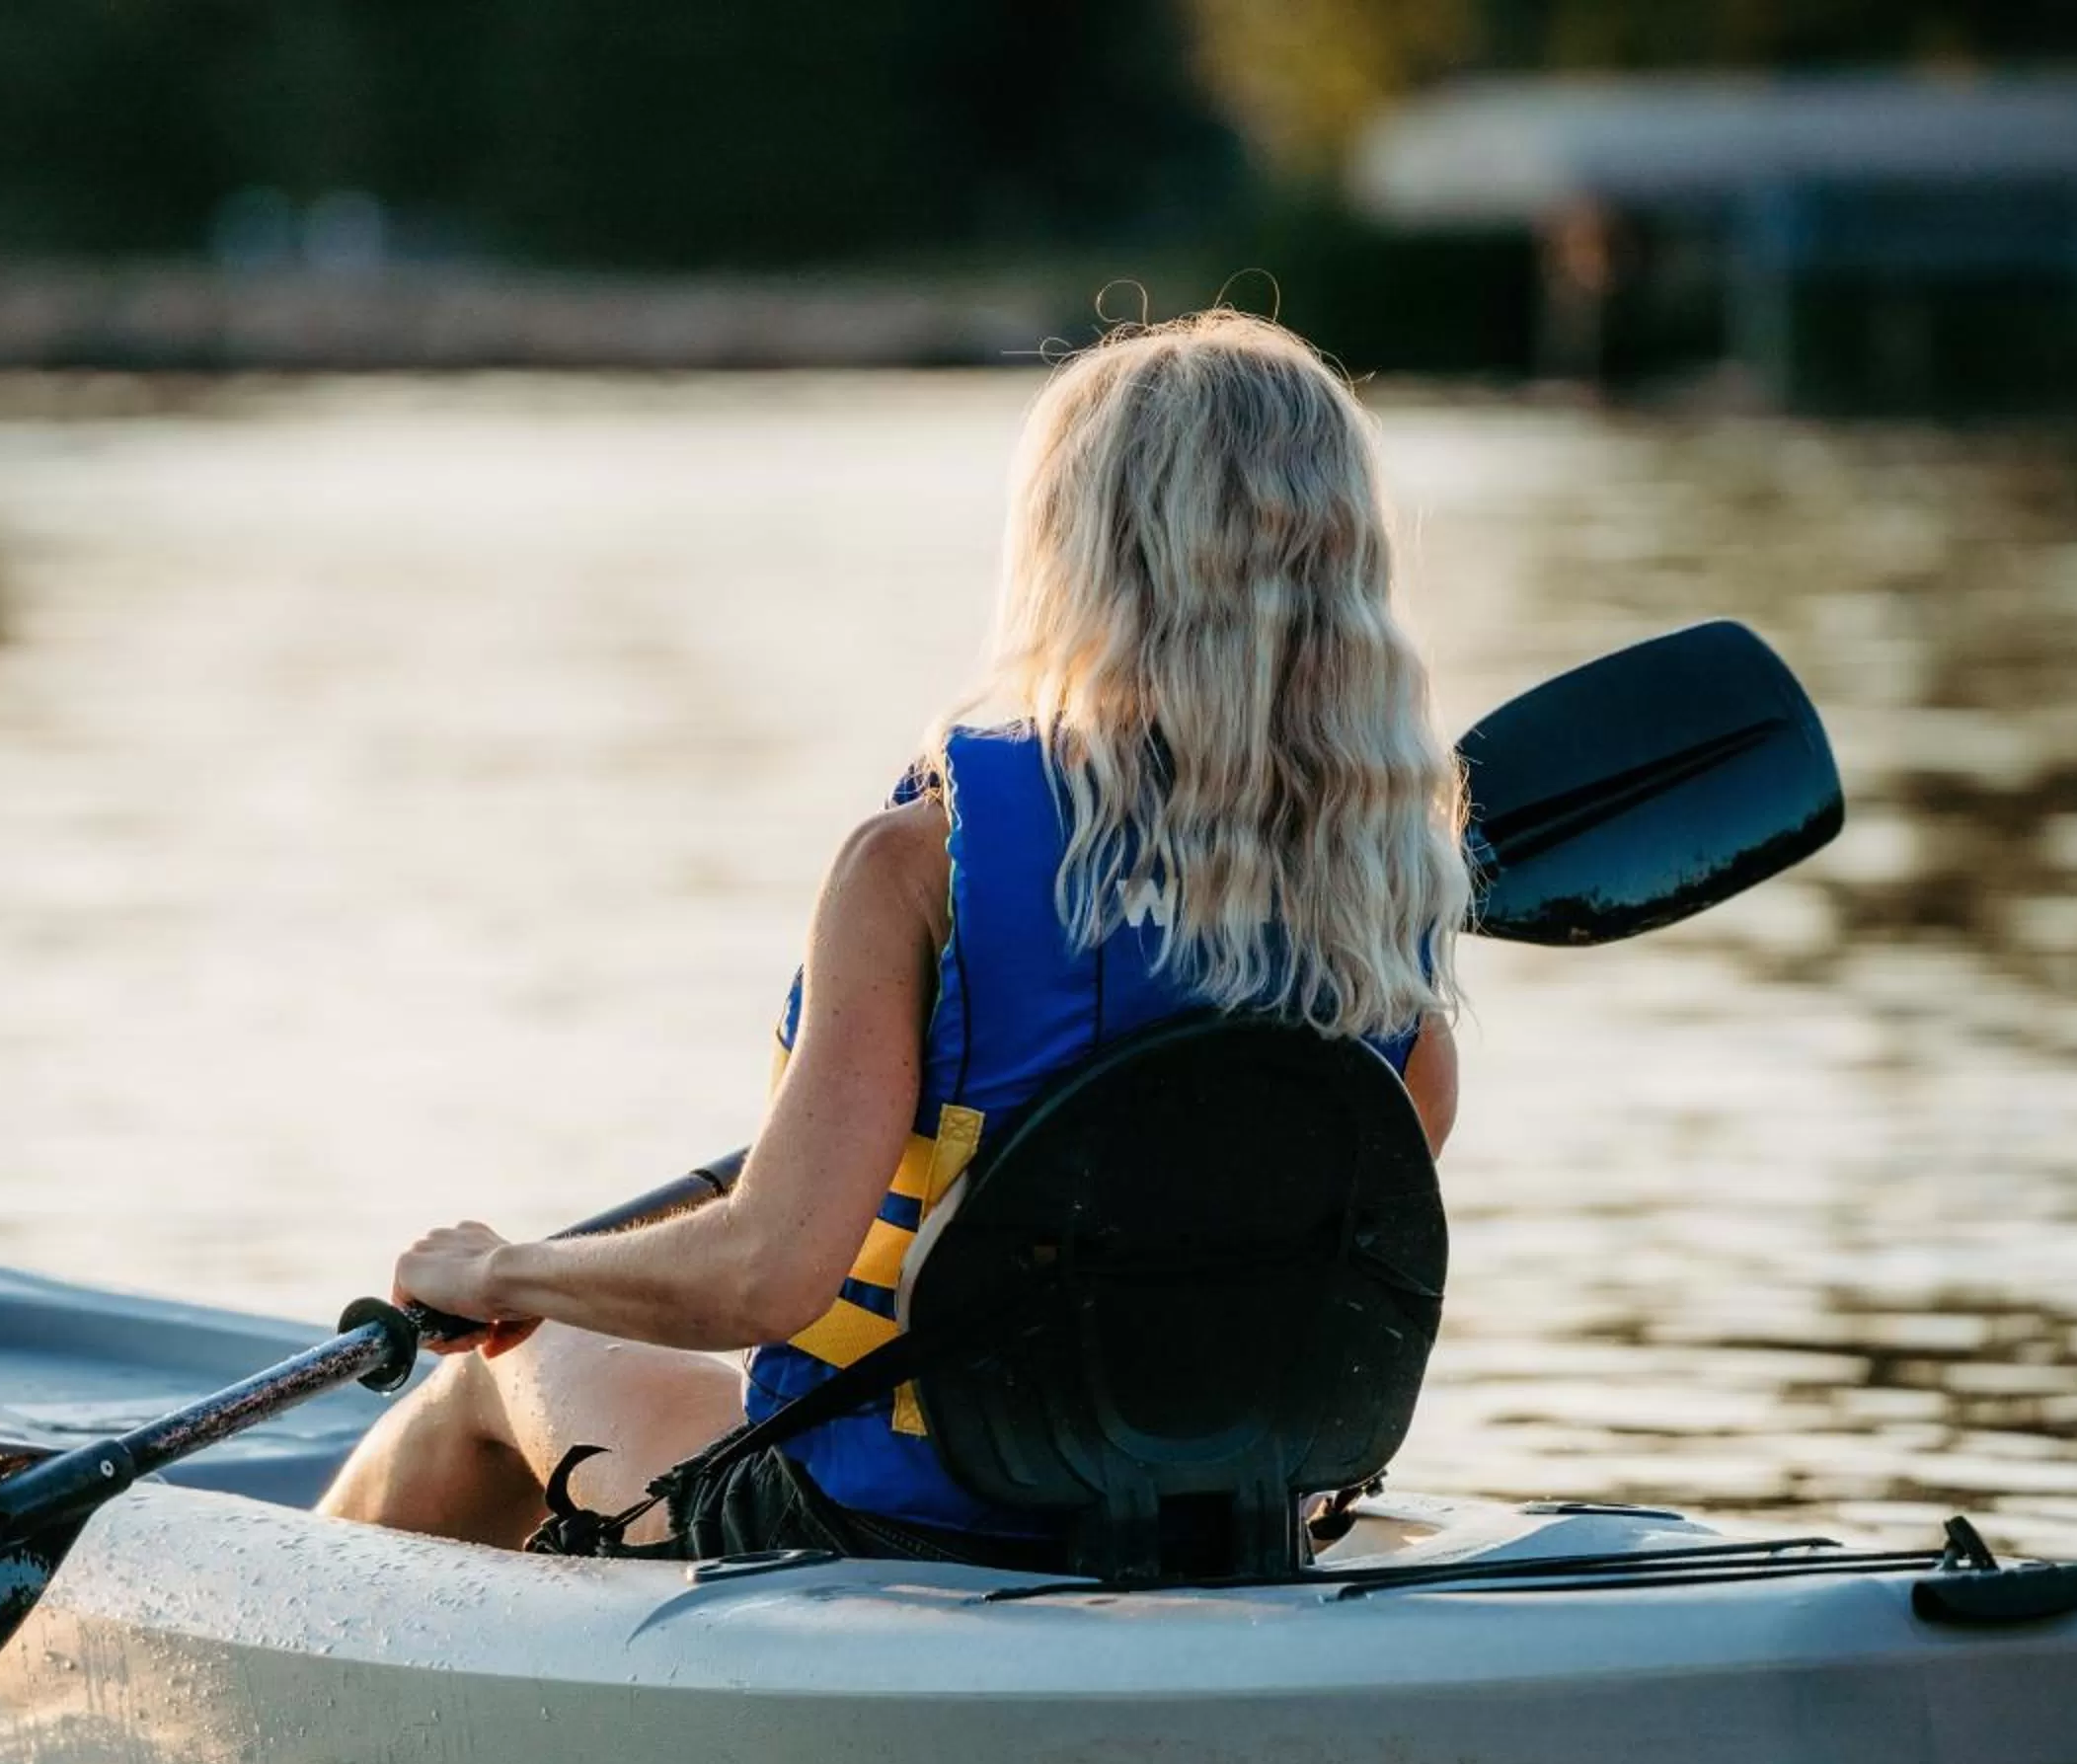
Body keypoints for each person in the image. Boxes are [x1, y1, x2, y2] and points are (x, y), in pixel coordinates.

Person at [317, 309, 1471, 1564]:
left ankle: (291, 1634)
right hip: (1223, 1533)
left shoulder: (919, 864)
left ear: (1078, 549)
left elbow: (767, 1277)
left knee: (509, 1371)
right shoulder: (1393, 900)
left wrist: (502, 1277)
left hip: (884, 1525)